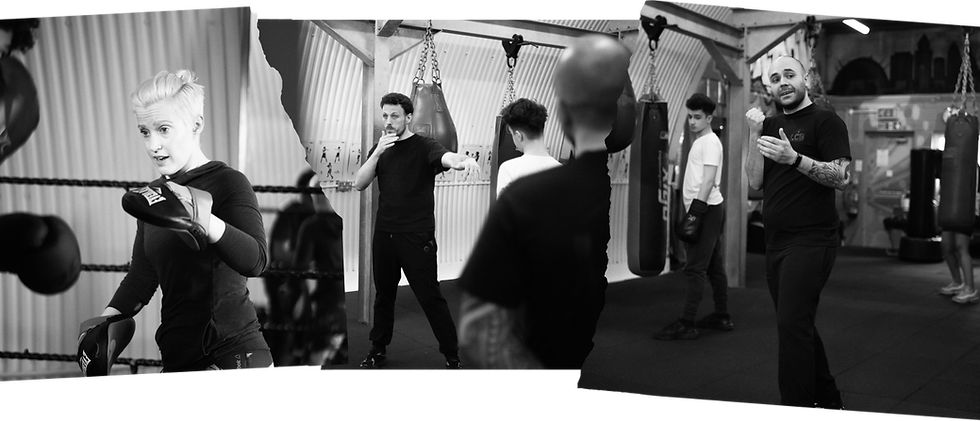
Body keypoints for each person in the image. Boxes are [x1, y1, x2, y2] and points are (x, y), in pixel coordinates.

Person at [455, 34, 630, 387]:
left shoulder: (517, 183)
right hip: (574, 307)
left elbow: (477, 326)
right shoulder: (584, 182)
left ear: (516, 136)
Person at [99, 69, 273, 376]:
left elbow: (257, 261)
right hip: (178, 356)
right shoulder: (155, 197)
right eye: (144, 131)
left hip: (232, 352)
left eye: (163, 129)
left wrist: (205, 220)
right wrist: (101, 325)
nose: (153, 144)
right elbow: (141, 277)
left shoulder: (228, 182)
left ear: (196, 125)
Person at [745, 55, 851, 413]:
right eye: (775, 79)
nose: (783, 83)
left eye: (789, 75)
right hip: (776, 243)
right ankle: (830, 398)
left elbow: (841, 178)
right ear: (768, 88)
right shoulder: (770, 123)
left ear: (805, 78)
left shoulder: (826, 121)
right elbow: (755, 181)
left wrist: (795, 159)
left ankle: (797, 405)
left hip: (812, 241)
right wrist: (751, 133)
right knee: (796, 324)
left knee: (792, 323)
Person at [353, 92, 480, 373]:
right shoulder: (381, 148)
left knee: (430, 297)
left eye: (394, 116)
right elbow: (359, 183)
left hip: (416, 236)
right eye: (385, 115)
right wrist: (377, 152)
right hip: (385, 234)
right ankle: (378, 350)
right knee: (383, 297)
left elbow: (445, 156)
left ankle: (452, 355)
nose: (388, 121)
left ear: (409, 117)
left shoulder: (425, 146)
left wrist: (460, 161)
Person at [654, 92, 731, 340]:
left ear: (709, 118)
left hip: (706, 210)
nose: (692, 121)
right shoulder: (702, 141)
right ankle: (722, 315)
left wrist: (694, 214)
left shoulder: (709, 142)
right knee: (713, 265)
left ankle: (687, 322)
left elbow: (708, 180)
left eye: (697, 117)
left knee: (695, 268)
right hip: (707, 209)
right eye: (689, 116)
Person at [292, 174, 348, 366]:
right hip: (357, 301)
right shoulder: (356, 222)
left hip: (328, 305)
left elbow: (299, 269)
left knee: (317, 358)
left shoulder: (312, 226)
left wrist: (299, 296)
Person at [495, 98, 561, 198]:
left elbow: (504, 211)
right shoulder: (562, 170)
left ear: (518, 135)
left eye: (511, 134)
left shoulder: (509, 168)